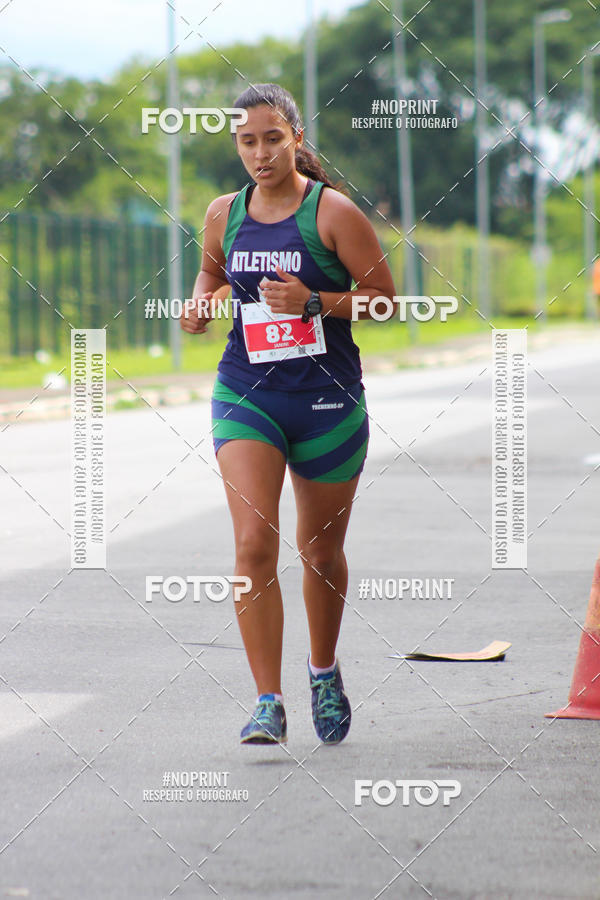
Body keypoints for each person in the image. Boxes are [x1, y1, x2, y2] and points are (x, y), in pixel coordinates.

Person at [181, 83, 395, 746]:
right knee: (252, 543)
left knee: (320, 550)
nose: (261, 152)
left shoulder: (333, 214)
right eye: (248, 141)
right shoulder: (224, 213)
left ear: (296, 139)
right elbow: (211, 274)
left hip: (327, 401)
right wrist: (201, 302)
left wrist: (312, 300)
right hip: (248, 393)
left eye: (273, 138)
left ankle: (322, 671)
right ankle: (266, 701)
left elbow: (386, 302)